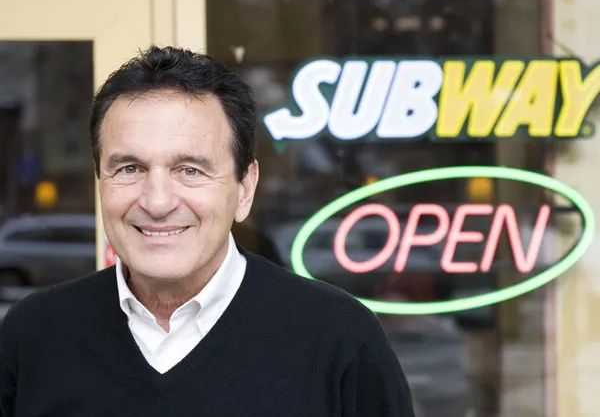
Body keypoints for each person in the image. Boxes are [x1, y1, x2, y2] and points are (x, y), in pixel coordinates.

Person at [0, 46, 415, 416]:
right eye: (129, 168)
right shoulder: (33, 337)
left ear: (245, 188)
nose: (157, 202)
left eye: (190, 170)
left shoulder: (339, 339)